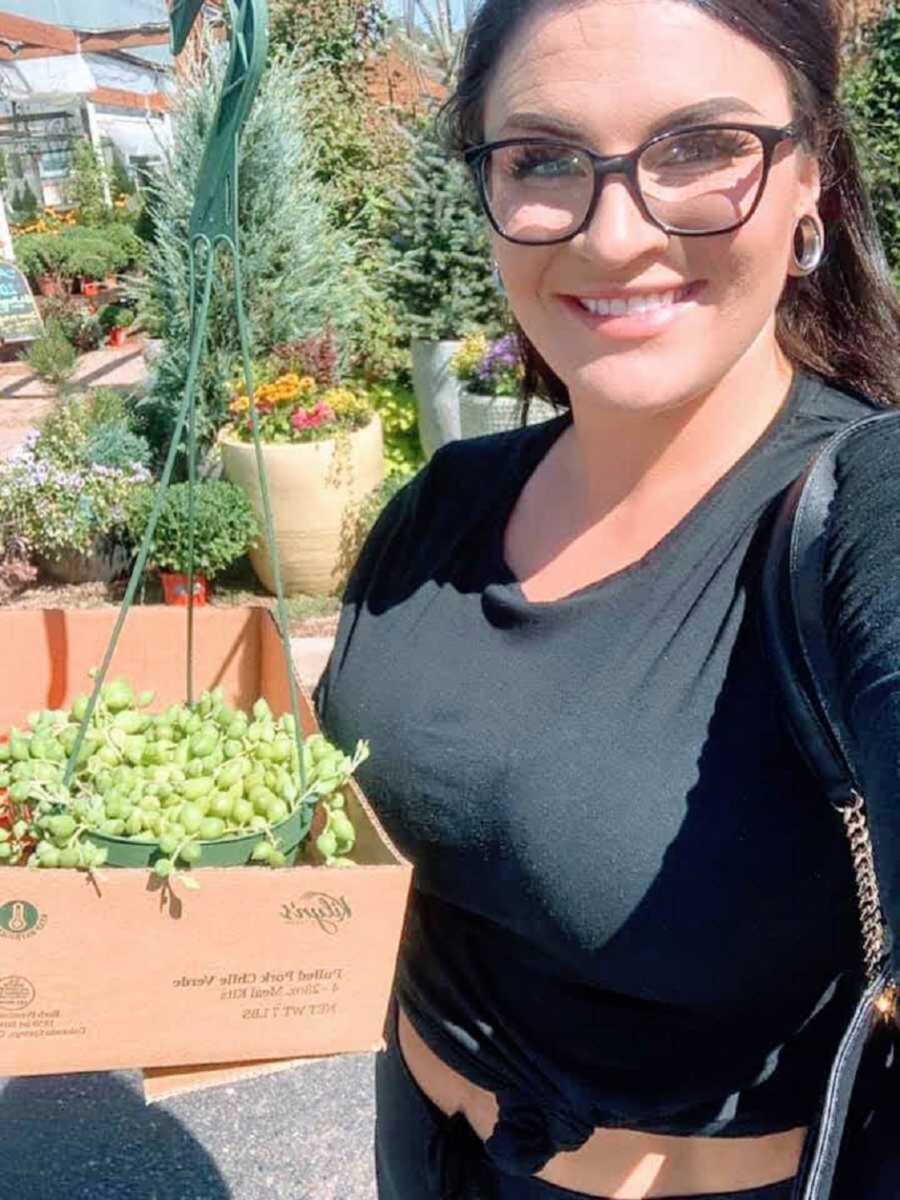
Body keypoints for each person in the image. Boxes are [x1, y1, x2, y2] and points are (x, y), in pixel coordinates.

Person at [314, 1, 900, 1197]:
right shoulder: (447, 504)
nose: (614, 234)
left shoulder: (865, 514)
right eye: (543, 160)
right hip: (417, 1139)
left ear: (812, 187)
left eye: (700, 147)